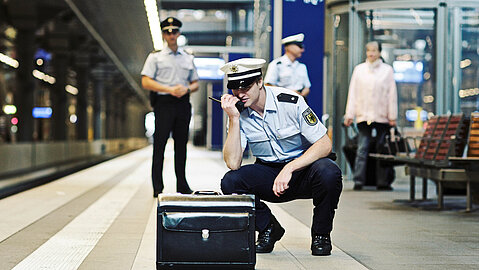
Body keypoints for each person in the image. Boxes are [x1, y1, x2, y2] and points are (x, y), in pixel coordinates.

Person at [219, 58, 342, 256]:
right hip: (268, 173)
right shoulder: (238, 114)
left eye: (246, 87)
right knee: (231, 181)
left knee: (329, 172)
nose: (240, 94)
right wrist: (233, 118)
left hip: (302, 172)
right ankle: (268, 228)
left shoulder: (290, 101)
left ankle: (321, 235)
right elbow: (233, 163)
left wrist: (290, 167)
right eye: (235, 88)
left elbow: (324, 144)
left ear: (260, 82)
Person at [141, 17, 199, 197]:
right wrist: (169, 89)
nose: (171, 35)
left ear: (179, 33)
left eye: (174, 31)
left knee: (181, 146)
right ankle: (157, 187)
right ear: (164, 34)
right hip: (164, 103)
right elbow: (145, 81)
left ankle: (182, 184)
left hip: (182, 103)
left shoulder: (188, 57)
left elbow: (195, 82)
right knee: (160, 146)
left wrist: (187, 89)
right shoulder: (155, 57)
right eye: (167, 32)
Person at [343, 41, 398, 191]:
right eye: (369, 50)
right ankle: (359, 180)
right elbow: (353, 93)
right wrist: (349, 114)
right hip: (363, 116)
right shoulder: (359, 70)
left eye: (374, 50)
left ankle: (382, 182)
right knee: (362, 148)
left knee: (382, 149)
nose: (371, 53)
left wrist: (392, 116)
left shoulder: (387, 70)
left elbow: (391, 95)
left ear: (380, 52)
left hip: (382, 117)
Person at [264, 33, 311, 98]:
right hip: (282, 101)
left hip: (300, 100)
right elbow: (268, 85)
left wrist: (302, 94)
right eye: (300, 46)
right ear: (289, 47)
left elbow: (307, 87)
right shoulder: (276, 65)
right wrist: (289, 92)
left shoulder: (302, 66)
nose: (302, 50)